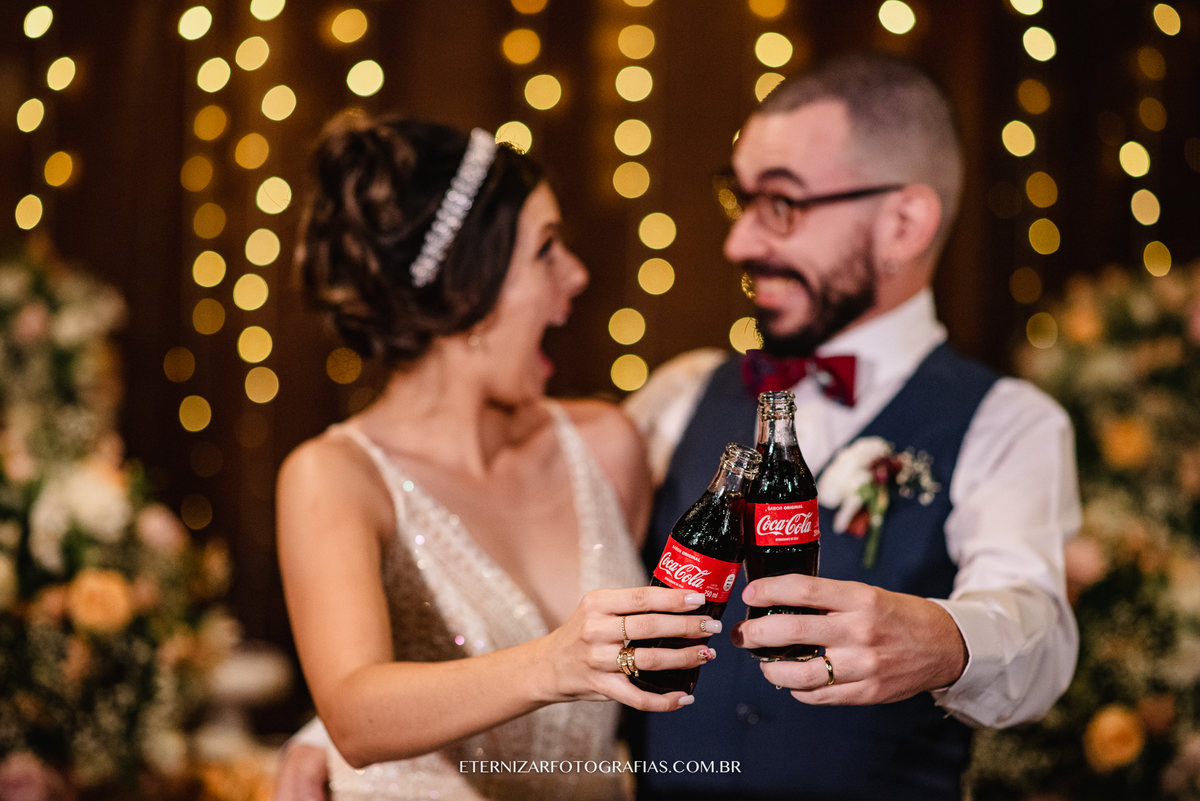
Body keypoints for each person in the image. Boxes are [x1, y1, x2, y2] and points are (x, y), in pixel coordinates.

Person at [622, 51, 1081, 800]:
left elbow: (1039, 632)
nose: (739, 243)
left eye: (781, 204)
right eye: (739, 201)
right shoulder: (678, 393)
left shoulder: (1009, 421)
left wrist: (942, 639)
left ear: (903, 223)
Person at [274, 113, 717, 801]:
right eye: (545, 250)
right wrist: (555, 661)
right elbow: (355, 713)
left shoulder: (605, 446)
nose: (576, 274)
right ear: (464, 289)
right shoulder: (335, 476)